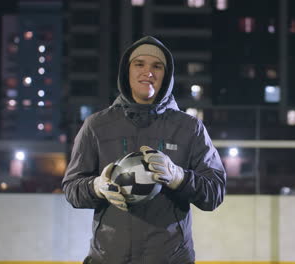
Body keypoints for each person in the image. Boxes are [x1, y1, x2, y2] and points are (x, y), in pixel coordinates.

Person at [62, 35, 226, 264]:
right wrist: (96, 186)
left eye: (157, 66)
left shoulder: (189, 128)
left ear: (166, 76)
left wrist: (179, 177)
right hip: (109, 258)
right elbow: (71, 188)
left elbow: (215, 191)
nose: (147, 72)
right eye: (139, 64)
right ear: (126, 72)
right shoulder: (96, 126)